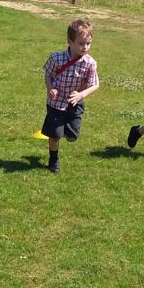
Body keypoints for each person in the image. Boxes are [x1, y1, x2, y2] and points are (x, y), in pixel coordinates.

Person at [42, 18, 100, 173]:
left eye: (88, 43)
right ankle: (53, 160)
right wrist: (50, 88)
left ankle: (67, 131)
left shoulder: (90, 63)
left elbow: (95, 84)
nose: (85, 47)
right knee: (55, 135)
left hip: (75, 104)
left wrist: (81, 94)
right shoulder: (56, 58)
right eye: (81, 43)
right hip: (56, 103)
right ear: (70, 41)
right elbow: (48, 74)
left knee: (72, 136)